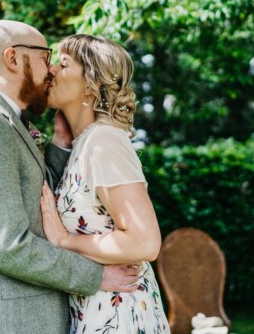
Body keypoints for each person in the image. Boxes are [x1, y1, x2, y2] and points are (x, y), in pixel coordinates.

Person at [0, 21, 140, 334]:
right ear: (13, 59)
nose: (52, 71)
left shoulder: (8, 122)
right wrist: (95, 276)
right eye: (46, 59)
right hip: (9, 321)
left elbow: (39, 198)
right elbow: (8, 245)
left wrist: (59, 144)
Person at [40, 34, 170, 333]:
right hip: (97, 311)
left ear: (92, 84)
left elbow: (144, 242)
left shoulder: (104, 142)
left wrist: (63, 240)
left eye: (63, 64)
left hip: (120, 315)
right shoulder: (86, 143)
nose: (51, 71)